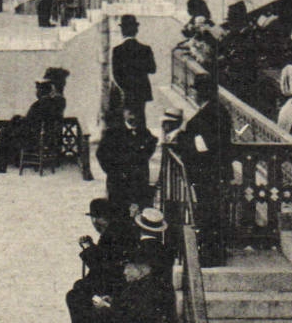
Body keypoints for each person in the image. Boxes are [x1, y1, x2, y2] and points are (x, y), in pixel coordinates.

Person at [169, 73, 232, 266]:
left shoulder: (209, 114)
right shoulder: (217, 111)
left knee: (209, 211)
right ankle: (213, 250)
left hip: (208, 170)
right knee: (210, 210)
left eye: (197, 90)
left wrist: (182, 140)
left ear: (204, 92)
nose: (194, 94)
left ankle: (212, 254)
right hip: (213, 169)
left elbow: (203, 146)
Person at [64, 198, 135, 323]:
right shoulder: (115, 229)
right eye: (93, 217)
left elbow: (102, 266)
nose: (95, 222)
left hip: (115, 282)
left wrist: (89, 248)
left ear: (109, 216)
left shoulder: (113, 234)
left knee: (76, 294)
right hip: (114, 278)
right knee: (80, 287)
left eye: (99, 217)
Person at [95, 108, 157, 215]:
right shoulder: (113, 132)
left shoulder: (144, 132)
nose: (133, 117)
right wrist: (112, 171)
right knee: (118, 212)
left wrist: (141, 160)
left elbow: (151, 145)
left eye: (136, 113)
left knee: (140, 212)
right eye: (130, 113)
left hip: (139, 182)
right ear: (123, 114)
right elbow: (101, 153)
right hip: (118, 183)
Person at [111, 14, 157, 130]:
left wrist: (126, 87)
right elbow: (152, 69)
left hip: (126, 92)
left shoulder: (117, 50)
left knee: (127, 121)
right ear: (136, 30)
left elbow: (116, 74)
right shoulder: (145, 49)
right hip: (142, 90)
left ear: (122, 31)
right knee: (141, 118)